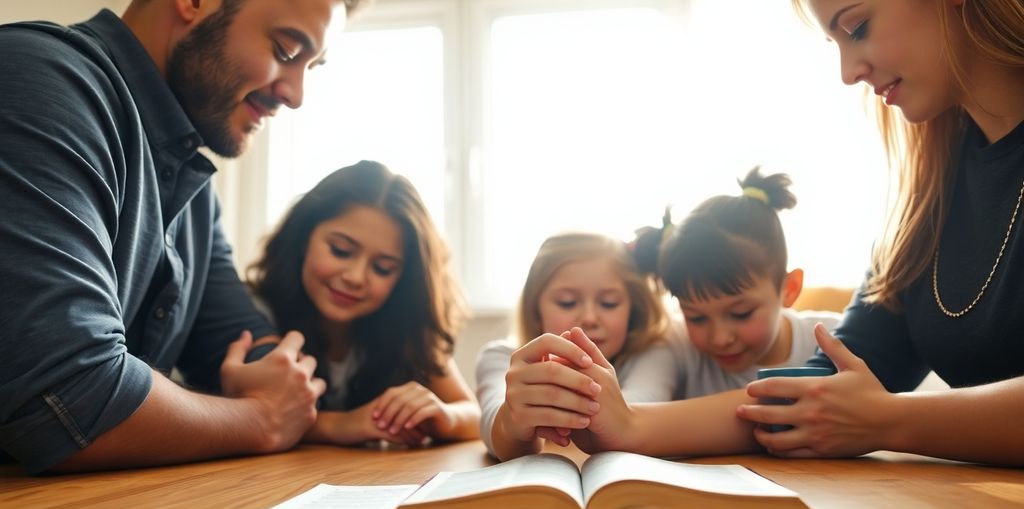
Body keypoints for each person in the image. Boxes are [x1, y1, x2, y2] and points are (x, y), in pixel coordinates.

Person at [542, 0, 1024, 466]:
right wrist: (627, 424)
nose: (848, 72)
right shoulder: (927, 201)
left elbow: (864, 413)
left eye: (856, 28)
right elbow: (816, 391)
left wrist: (891, 421)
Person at [0, 0, 365, 474]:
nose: (296, 95)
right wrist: (264, 419)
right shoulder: (38, 78)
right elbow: (69, 400)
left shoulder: (191, 183)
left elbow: (238, 343)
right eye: (287, 50)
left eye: (312, 67)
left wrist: (297, 399)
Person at [247, 161, 480, 447]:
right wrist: (341, 425)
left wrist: (444, 415)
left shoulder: (408, 329)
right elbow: (244, 411)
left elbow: (472, 414)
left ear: (405, 279)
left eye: (383, 268)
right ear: (303, 237)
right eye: (341, 250)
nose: (356, 277)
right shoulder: (254, 311)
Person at [475, 232, 675, 461]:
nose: (589, 318)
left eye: (609, 303)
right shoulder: (498, 357)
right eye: (567, 302)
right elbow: (493, 425)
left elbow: (635, 414)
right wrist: (511, 421)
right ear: (535, 310)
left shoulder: (652, 353)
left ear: (634, 310)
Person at [643, 167, 840, 399]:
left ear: (789, 288)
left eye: (741, 313)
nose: (720, 338)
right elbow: (638, 398)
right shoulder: (676, 344)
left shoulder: (836, 340)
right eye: (696, 318)